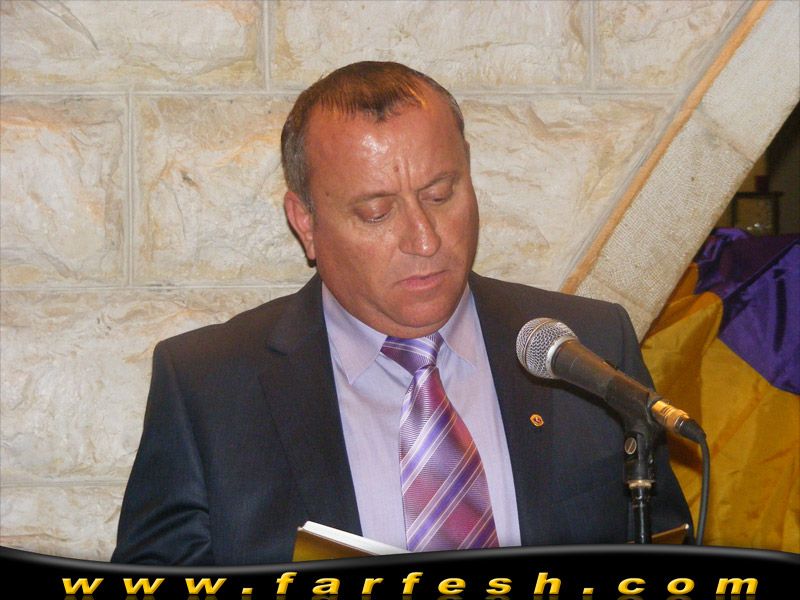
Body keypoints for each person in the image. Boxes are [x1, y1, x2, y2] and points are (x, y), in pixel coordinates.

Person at [112, 61, 691, 565]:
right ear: (306, 222)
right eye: (375, 212)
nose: (424, 238)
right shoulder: (209, 387)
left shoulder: (587, 347)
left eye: (441, 195)